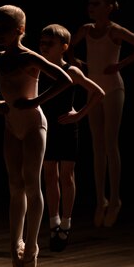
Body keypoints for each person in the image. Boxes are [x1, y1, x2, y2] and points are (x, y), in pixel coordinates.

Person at [0, 5, 72, 267]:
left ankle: (32, 246)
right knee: (14, 186)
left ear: (20, 30)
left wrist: (35, 101)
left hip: (33, 125)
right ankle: (15, 244)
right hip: (12, 125)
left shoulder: (29, 57)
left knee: (32, 184)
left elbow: (64, 80)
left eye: (4, 28)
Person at [67, 0, 134, 227]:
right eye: (90, 2)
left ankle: (115, 199)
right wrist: (75, 62)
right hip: (93, 89)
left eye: (97, 3)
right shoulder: (85, 30)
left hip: (114, 89)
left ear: (110, 7)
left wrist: (120, 64)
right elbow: (69, 47)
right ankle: (100, 200)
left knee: (110, 143)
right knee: (97, 145)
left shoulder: (115, 31)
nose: (91, 6)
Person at [38, 23, 105, 252]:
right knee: (48, 175)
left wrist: (80, 114)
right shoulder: (39, 68)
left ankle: (66, 222)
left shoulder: (71, 71)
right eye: (42, 43)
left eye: (50, 43)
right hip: (46, 126)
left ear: (64, 47)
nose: (44, 47)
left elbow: (98, 92)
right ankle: (53, 221)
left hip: (66, 127)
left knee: (66, 175)